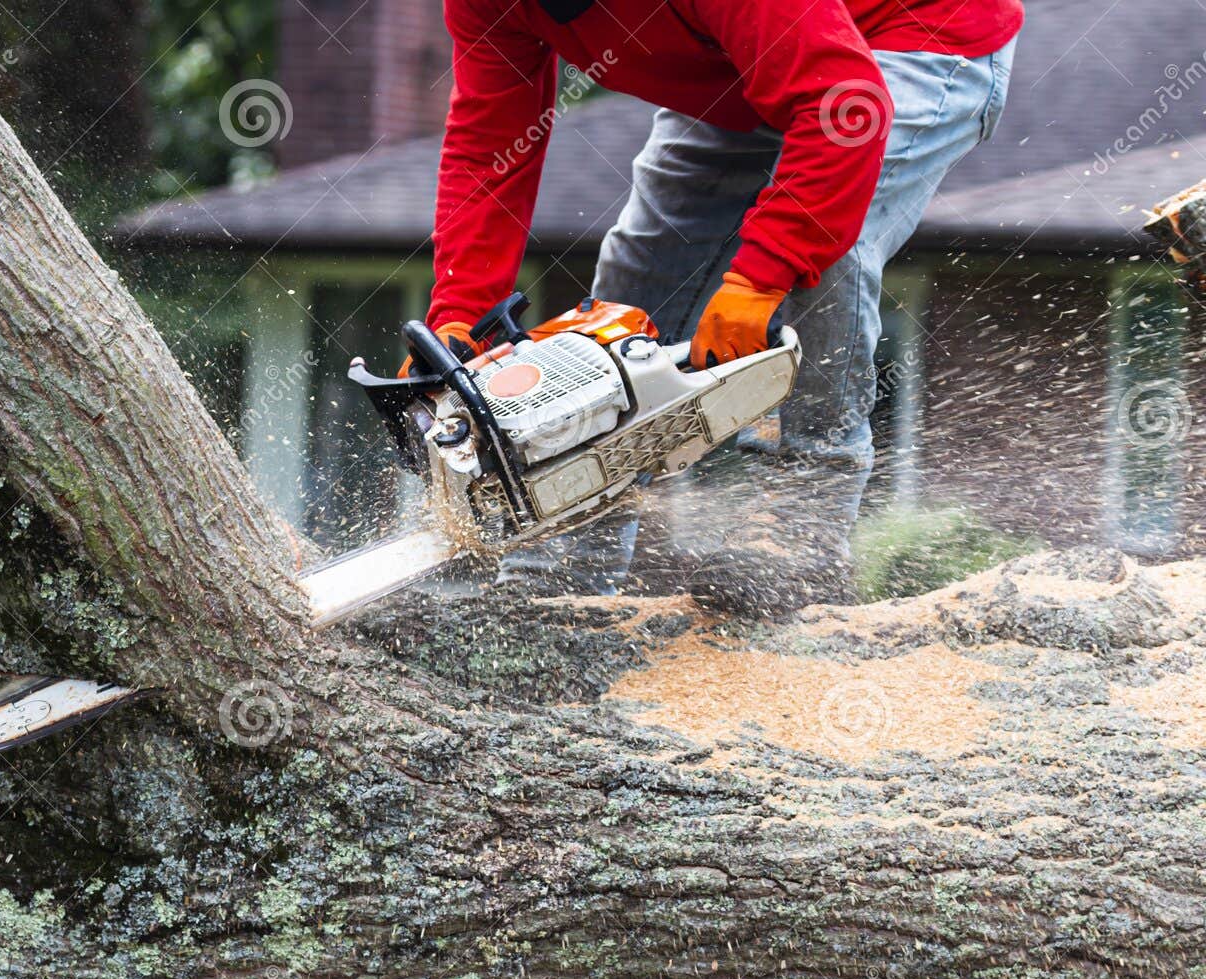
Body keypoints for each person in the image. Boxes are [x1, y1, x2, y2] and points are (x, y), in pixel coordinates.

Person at [420, 0, 1021, 615]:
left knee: (828, 247)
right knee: (633, 279)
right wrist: (463, 316)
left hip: (910, 42)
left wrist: (762, 276)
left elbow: (845, 100)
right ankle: (567, 545)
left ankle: (804, 521)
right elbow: (489, 147)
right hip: (749, 65)